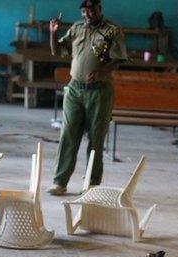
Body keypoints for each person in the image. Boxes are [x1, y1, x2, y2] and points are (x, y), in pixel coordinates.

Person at [46, 0, 127, 195]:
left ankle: (92, 184)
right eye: (85, 11)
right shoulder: (76, 28)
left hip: (99, 92)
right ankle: (60, 182)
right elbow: (56, 50)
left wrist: (101, 72)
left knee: (96, 138)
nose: (88, 14)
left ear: (100, 9)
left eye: (92, 10)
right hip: (75, 89)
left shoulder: (112, 31)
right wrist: (53, 32)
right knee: (68, 135)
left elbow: (119, 59)